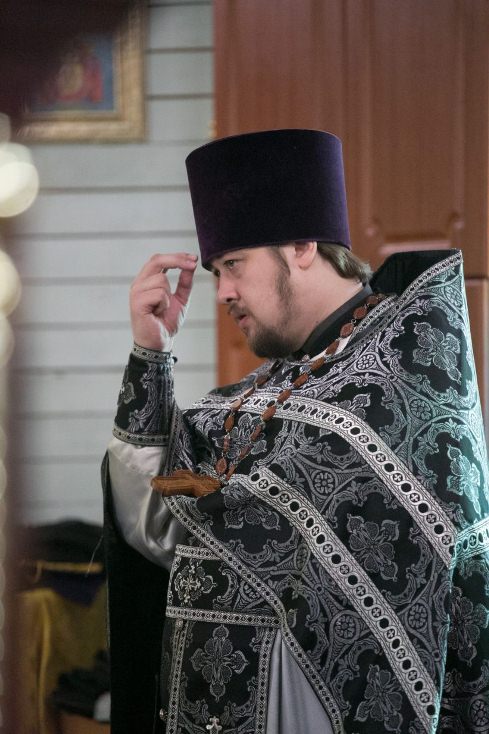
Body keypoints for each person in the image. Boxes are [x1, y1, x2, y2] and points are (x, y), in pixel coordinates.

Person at [103, 130, 489, 734]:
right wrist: (152, 352)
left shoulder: (402, 380)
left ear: (304, 245)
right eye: (216, 272)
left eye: (234, 264)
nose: (224, 292)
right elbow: (159, 526)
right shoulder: (276, 385)